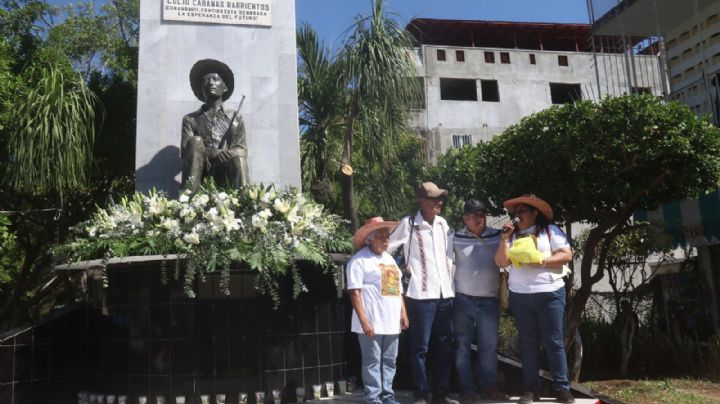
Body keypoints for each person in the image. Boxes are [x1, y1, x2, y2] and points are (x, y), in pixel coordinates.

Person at [494, 194, 575, 404]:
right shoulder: (511, 236)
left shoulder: (550, 231)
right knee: (528, 344)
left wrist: (541, 261)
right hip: (521, 296)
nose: (517, 215)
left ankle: (562, 388)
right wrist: (503, 239)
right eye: (516, 212)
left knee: (553, 342)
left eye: (522, 211)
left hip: (550, 294)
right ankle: (531, 390)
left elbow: (567, 255)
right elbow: (501, 261)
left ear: (534, 213)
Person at [388, 182, 456, 404]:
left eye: (440, 199)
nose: (440, 202)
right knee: (420, 347)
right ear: (421, 200)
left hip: (445, 294)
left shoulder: (444, 224)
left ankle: (441, 392)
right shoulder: (408, 225)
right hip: (420, 295)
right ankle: (421, 392)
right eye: (435, 199)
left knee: (444, 344)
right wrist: (400, 274)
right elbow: (387, 250)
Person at [348, 217, 410, 404]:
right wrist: (364, 320)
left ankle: (387, 395)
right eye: (381, 236)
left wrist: (403, 312)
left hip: (390, 320)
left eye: (387, 236)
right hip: (372, 320)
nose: (386, 240)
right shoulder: (359, 260)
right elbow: (354, 292)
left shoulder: (389, 259)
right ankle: (373, 398)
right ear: (369, 238)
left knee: (390, 360)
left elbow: (398, 289)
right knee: (372, 361)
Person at [452, 200, 509, 403]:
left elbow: (506, 259)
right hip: (463, 299)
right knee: (462, 346)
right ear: (465, 218)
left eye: (482, 214)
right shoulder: (455, 237)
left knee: (489, 347)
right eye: (475, 215)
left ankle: (489, 388)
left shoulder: (496, 235)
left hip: (489, 300)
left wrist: (505, 238)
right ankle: (467, 390)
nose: (480, 218)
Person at [181, 59, 249, 190]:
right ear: (201, 88)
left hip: (226, 168)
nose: (211, 82)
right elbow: (186, 152)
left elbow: (242, 149)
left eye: (215, 79)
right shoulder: (190, 119)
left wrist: (228, 153)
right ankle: (189, 199)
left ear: (225, 87)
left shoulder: (235, 117)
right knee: (195, 141)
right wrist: (213, 153)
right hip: (201, 169)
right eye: (206, 80)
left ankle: (246, 204)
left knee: (239, 158)